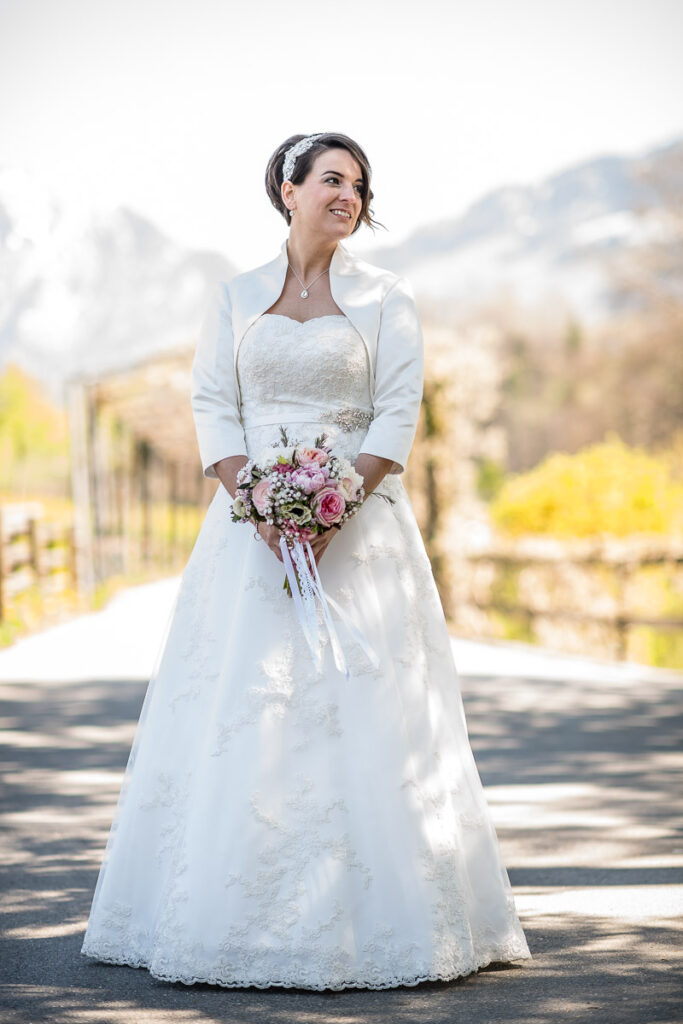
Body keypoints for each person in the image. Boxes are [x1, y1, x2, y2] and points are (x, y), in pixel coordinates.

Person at [81, 132, 532, 990]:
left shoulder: (386, 298)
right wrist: (251, 500)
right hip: (245, 530)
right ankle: (226, 911)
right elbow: (214, 401)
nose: (348, 196)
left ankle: (390, 917)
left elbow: (396, 412)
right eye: (331, 179)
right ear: (286, 190)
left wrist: (333, 507)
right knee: (246, 705)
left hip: (360, 529)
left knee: (364, 709)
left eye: (358, 185)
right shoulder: (234, 297)